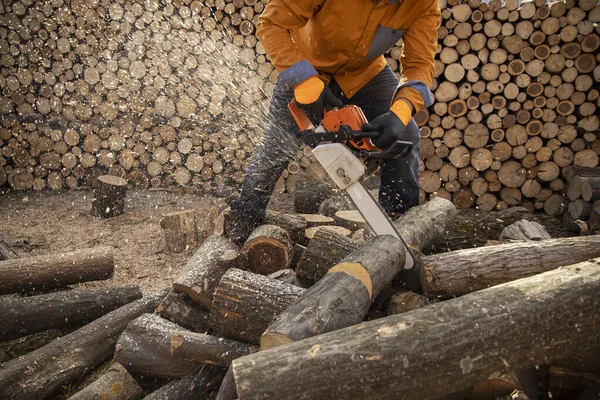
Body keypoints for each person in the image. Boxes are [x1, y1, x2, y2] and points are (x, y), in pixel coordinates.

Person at [226, 0, 441, 244]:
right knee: (273, 150)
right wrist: (304, 81)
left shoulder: (423, 3)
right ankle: (242, 227)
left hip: (365, 74)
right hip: (306, 69)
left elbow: (420, 65)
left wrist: (401, 111)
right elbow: (271, 23)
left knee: (406, 136)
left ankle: (400, 232)